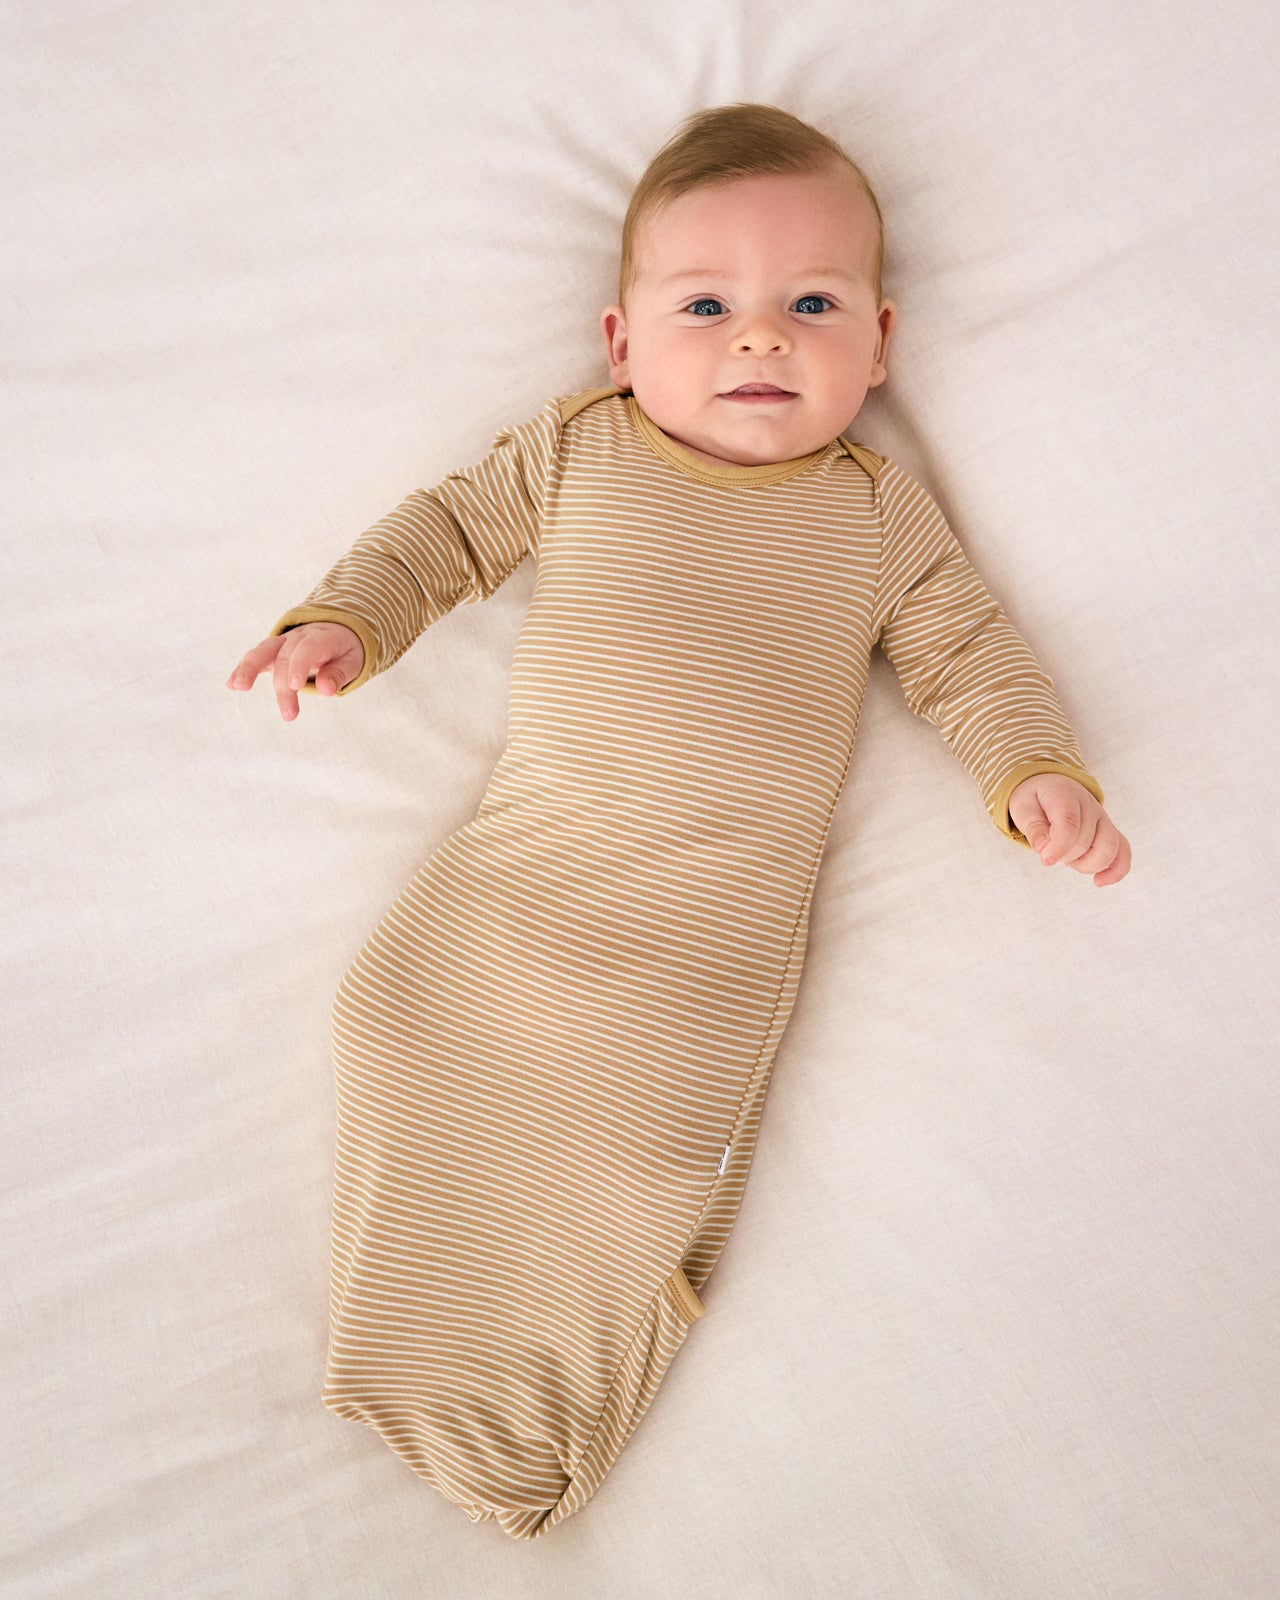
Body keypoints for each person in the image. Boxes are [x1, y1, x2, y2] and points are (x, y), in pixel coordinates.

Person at [225, 103, 1131, 1540]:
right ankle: (399, 1342)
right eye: (707, 304)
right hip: (518, 884)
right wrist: (346, 618)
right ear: (622, 345)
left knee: (628, 1166)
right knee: (388, 1022)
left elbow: (971, 653)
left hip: (689, 955)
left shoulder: (878, 519)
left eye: (810, 305)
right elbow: (444, 534)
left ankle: (520, 1428)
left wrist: (1036, 774)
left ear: (881, 346)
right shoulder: (579, 451)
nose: (760, 338)